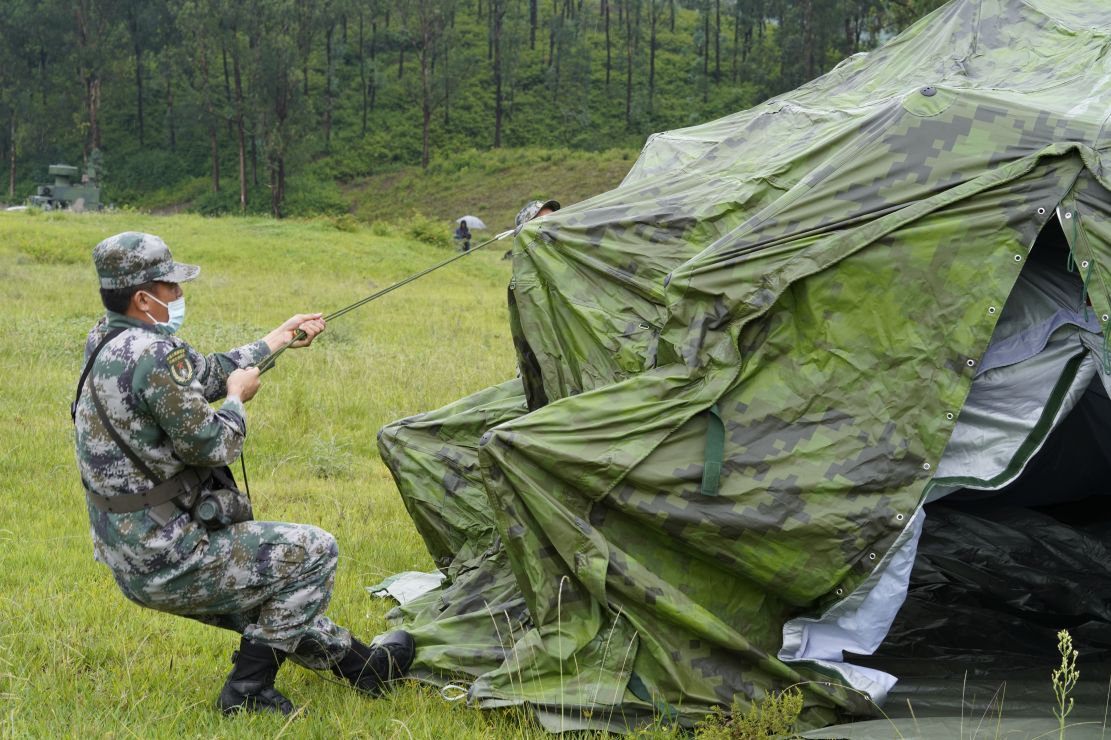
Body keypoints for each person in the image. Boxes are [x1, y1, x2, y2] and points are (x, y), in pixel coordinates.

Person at [72, 232, 414, 716]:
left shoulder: (107, 339)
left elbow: (205, 372)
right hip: (166, 556)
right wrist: (237, 400)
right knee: (314, 552)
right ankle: (247, 692)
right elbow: (215, 444)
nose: (180, 294)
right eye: (171, 287)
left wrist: (280, 337)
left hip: (125, 549)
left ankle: (368, 668)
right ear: (143, 297)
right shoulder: (155, 354)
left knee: (268, 599)